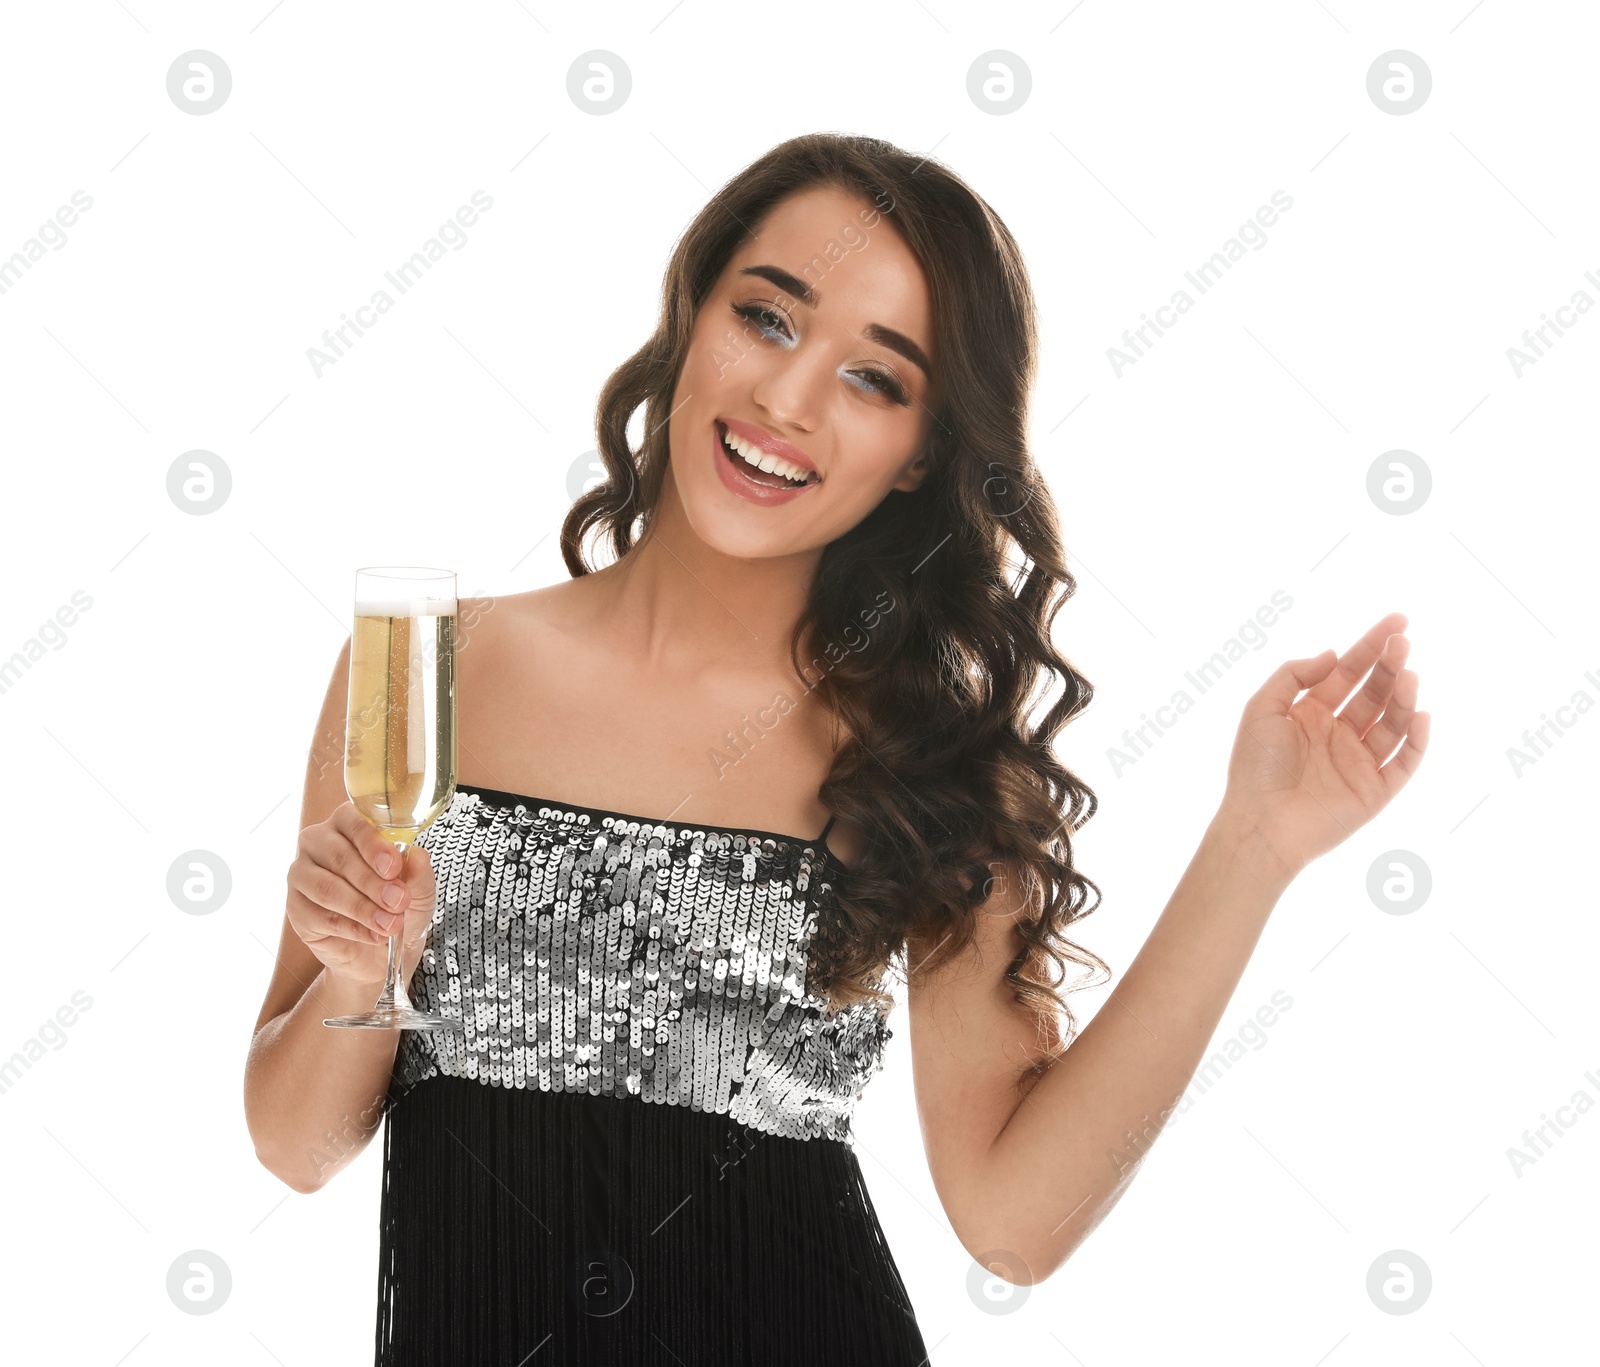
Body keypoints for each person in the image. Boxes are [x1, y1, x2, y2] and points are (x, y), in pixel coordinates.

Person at [244, 132, 1429, 1365]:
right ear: (693, 310)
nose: (788, 399)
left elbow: (1015, 1226)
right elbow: (295, 1145)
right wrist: (358, 972)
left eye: (875, 379)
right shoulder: (429, 671)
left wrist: (1254, 844)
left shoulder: (931, 760)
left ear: (921, 449)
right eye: (768, 317)